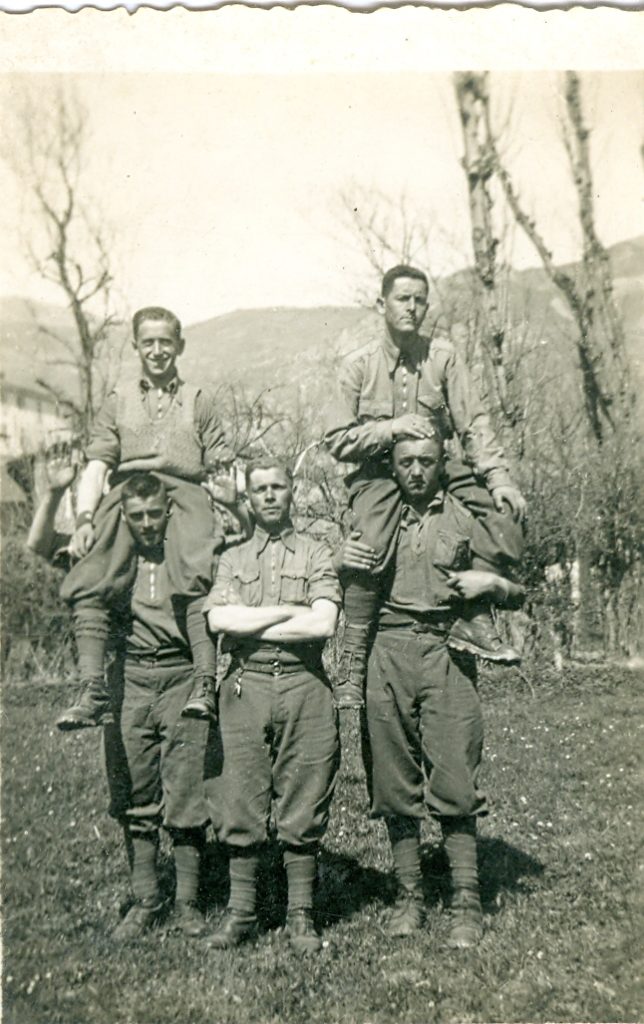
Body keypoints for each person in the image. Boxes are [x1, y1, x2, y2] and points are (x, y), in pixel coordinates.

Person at [336, 429, 524, 949]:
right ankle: (409, 896)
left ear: (443, 464)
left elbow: (516, 586)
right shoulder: (377, 516)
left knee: (457, 774)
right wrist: (340, 557)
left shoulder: (467, 513)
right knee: (393, 779)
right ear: (392, 467)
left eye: (426, 461)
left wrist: (494, 586)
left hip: (448, 650)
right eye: (405, 462)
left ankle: (466, 898)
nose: (416, 471)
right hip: (387, 651)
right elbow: (342, 579)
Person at [324, 265, 526, 710]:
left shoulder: (444, 358)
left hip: (434, 465)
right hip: (377, 473)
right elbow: (336, 439)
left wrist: (499, 479)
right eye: (402, 299)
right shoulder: (357, 366)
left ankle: (474, 617)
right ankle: (353, 660)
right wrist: (391, 429)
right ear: (382, 304)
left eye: (419, 300)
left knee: (501, 517)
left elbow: (473, 422)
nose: (412, 308)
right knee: (370, 544)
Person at [56, 306, 232, 731]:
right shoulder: (117, 402)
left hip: (183, 493)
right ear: (136, 345)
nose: (157, 351)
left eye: (165, 342)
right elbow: (98, 465)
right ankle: (93, 689)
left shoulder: (198, 400)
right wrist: (84, 519)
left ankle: (204, 683)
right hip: (128, 495)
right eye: (148, 342)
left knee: (195, 569)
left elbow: (221, 467)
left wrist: (226, 511)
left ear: (180, 346)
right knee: (90, 573)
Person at [203, 459, 341, 954]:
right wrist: (288, 611)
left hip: (306, 685)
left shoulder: (317, 552)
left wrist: (253, 621)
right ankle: (241, 912)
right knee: (237, 794)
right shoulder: (230, 557)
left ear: (292, 491)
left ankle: (300, 913)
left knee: (304, 795)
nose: (268, 496)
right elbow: (220, 618)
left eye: (277, 487)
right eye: (258, 489)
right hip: (245, 686)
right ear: (248, 497)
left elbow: (323, 623)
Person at [106, 471, 215, 942]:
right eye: (137, 516)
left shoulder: (184, 555)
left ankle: (188, 903)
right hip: (129, 680)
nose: (147, 524)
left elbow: (199, 611)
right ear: (125, 517)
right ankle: (146, 898)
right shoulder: (114, 559)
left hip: (178, 674)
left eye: (155, 514)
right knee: (135, 790)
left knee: (187, 791)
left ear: (167, 511)